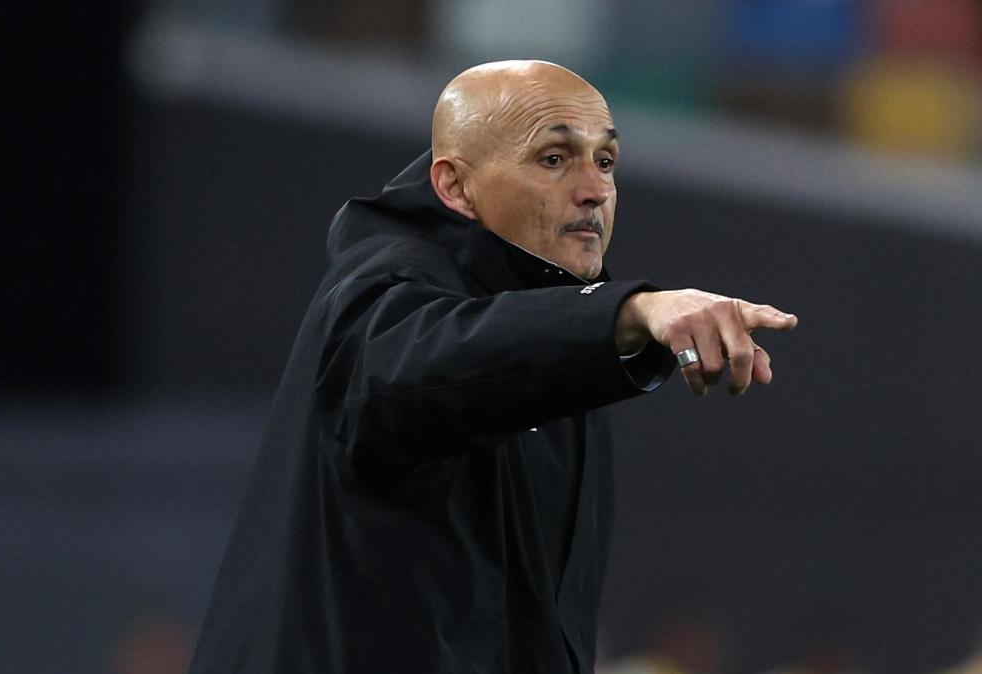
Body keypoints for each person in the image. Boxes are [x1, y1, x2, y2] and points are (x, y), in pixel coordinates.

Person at [188, 60, 798, 674]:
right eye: (554, 159)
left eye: (606, 160)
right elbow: (423, 368)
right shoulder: (383, 285)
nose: (595, 190)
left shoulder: (557, 330)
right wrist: (628, 312)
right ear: (455, 186)